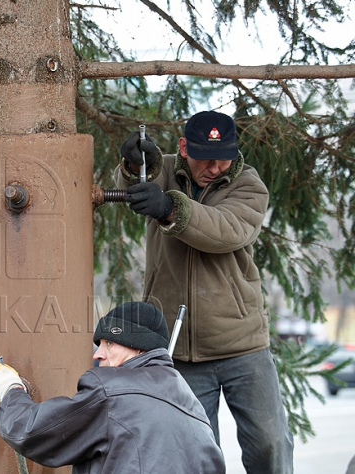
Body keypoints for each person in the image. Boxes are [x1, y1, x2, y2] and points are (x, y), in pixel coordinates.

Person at [117, 110, 293, 473]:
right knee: (195, 452)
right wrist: (135, 166)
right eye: (204, 158)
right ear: (184, 147)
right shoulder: (165, 169)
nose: (214, 167)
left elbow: (226, 231)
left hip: (242, 344)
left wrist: (169, 207)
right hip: (180, 349)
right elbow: (131, 182)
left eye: (222, 157)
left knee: (270, 443)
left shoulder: (248, 185)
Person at [0, 301, 225, 474]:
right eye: (99, 344)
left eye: (109, 343)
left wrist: (10, 390)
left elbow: (32, 431)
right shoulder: (197, 412)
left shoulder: (112, 390)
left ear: (141, 348)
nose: (98, 354)